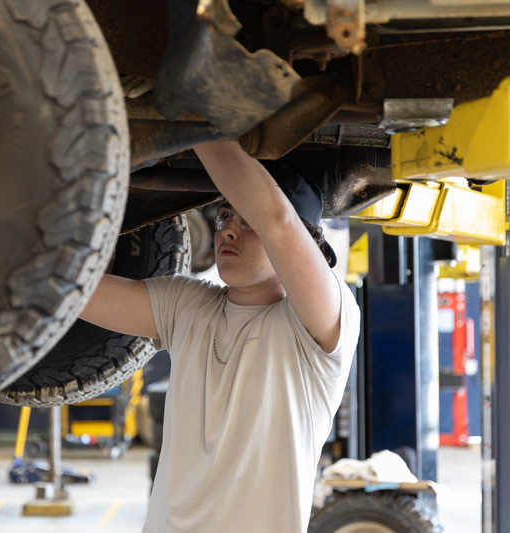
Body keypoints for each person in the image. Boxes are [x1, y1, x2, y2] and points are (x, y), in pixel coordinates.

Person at [79, 141, 361, 533]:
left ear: (307, 242)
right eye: (225, 214)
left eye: (247, 220)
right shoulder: (187, 306)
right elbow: (74, 290)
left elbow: (278, 221)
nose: (227, 228)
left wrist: (197, 120)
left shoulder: (320, 326)